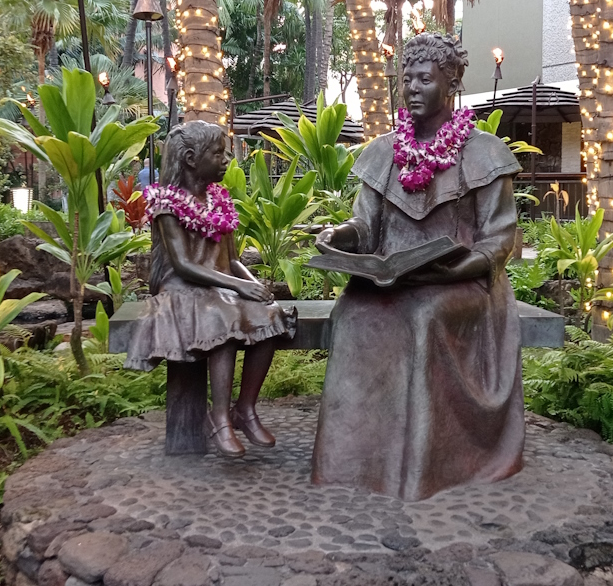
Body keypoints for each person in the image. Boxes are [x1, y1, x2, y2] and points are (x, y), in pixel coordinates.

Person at [311, 33, 525, 500]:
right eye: (407, 79)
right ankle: (352, 464)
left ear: (451, 84)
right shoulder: (382, 151)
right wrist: (338, 235)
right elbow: (364, 225)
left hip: (462, 283)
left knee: (423, 316)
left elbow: (500, 237)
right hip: (393, 280)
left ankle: (423, 469)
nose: (412, 88)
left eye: (424, 79)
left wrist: (460, 268)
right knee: (351, 315)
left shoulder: (484, 152)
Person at [124, 121, 295, 457]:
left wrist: (253, 285)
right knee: (222, 316)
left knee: (272, 314)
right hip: (182, 289)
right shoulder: (166, 204)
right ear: (190, 158)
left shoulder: (219, 201)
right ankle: (218, 417)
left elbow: (231, 261)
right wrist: (237, 286)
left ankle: (244, 409)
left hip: (218, 288)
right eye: (218, 153)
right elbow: (184, 265)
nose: (227, 159)